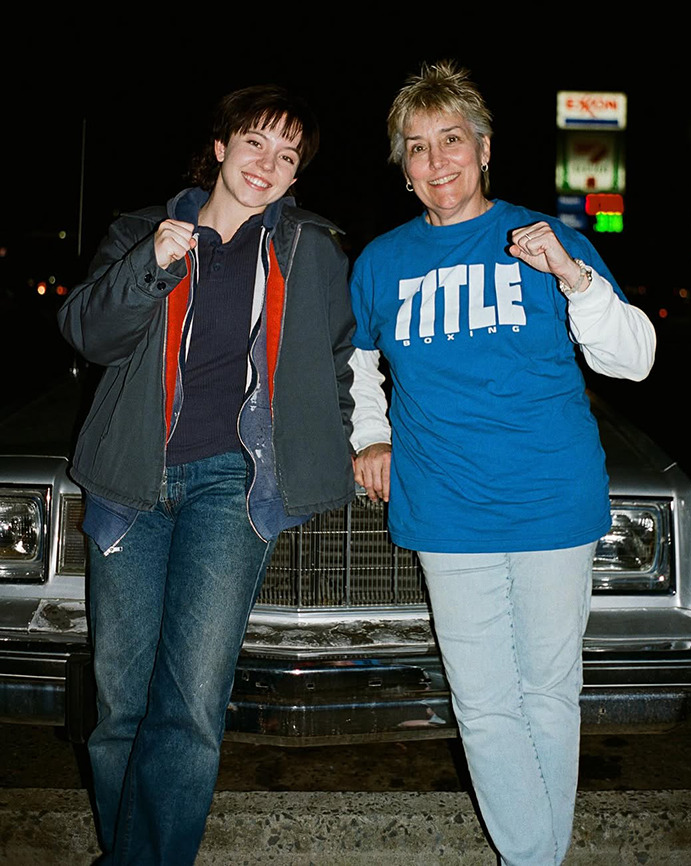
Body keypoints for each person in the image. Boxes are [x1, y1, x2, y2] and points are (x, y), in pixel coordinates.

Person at [348, 61, 656, 866]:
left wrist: (574, 275)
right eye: (417, 147)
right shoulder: (382, 261)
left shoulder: (543, 237)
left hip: (553, 500)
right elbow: (356, 365)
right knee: (483, 704)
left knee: (550, 694)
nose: (436, 160)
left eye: (452, 139)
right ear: (403, 167)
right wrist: (370, 438)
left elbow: (635, 359)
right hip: (447, 508)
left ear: (484, 149)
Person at [58, 84, 356, 865]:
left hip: (234, 482)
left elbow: (337, 361)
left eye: (288, 156)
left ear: (296, 179)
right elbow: (88, 332)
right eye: (256, 143)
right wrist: (153, 264)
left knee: (189, 705)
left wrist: (341, 439)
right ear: (221, 147)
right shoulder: (139, 231)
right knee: (121, 704)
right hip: (131, 481)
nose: (269, 164)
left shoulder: (310, 247)